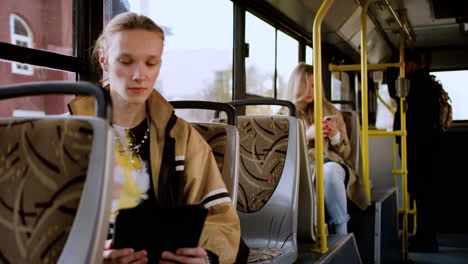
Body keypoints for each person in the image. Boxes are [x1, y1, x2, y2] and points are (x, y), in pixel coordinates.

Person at [67, 12, 241, 264]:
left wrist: (206, 257)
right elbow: (39, 224)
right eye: (126, 61)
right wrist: (90, 255)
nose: (140, 75)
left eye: (151, 63)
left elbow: (220, 218)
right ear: (104, 61)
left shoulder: (182, 136)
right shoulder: (66, 132)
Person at [286, 63, 370, 235]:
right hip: (300, 168)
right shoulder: (285, 114)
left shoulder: (331, 110)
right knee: (310, 177)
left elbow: (347, 154)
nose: (311, 90)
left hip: (330, 163)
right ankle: (312, 231)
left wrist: (335, 135)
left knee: (329, 172)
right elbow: (279, 152)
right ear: (296, 85)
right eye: (306, 85)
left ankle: (341, 231)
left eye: (315, 85)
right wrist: (306, 136)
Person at [389, 50, 440, 252]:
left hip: (418, 147)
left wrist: (390, 71)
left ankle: (426, 240)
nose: (401, 70)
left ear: (411, 64)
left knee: (422, 194)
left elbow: (395, 92)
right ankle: (425, 237)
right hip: (424, 146)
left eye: (402, 65)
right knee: (423, 195)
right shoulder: (426, 83)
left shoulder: (416, 83)